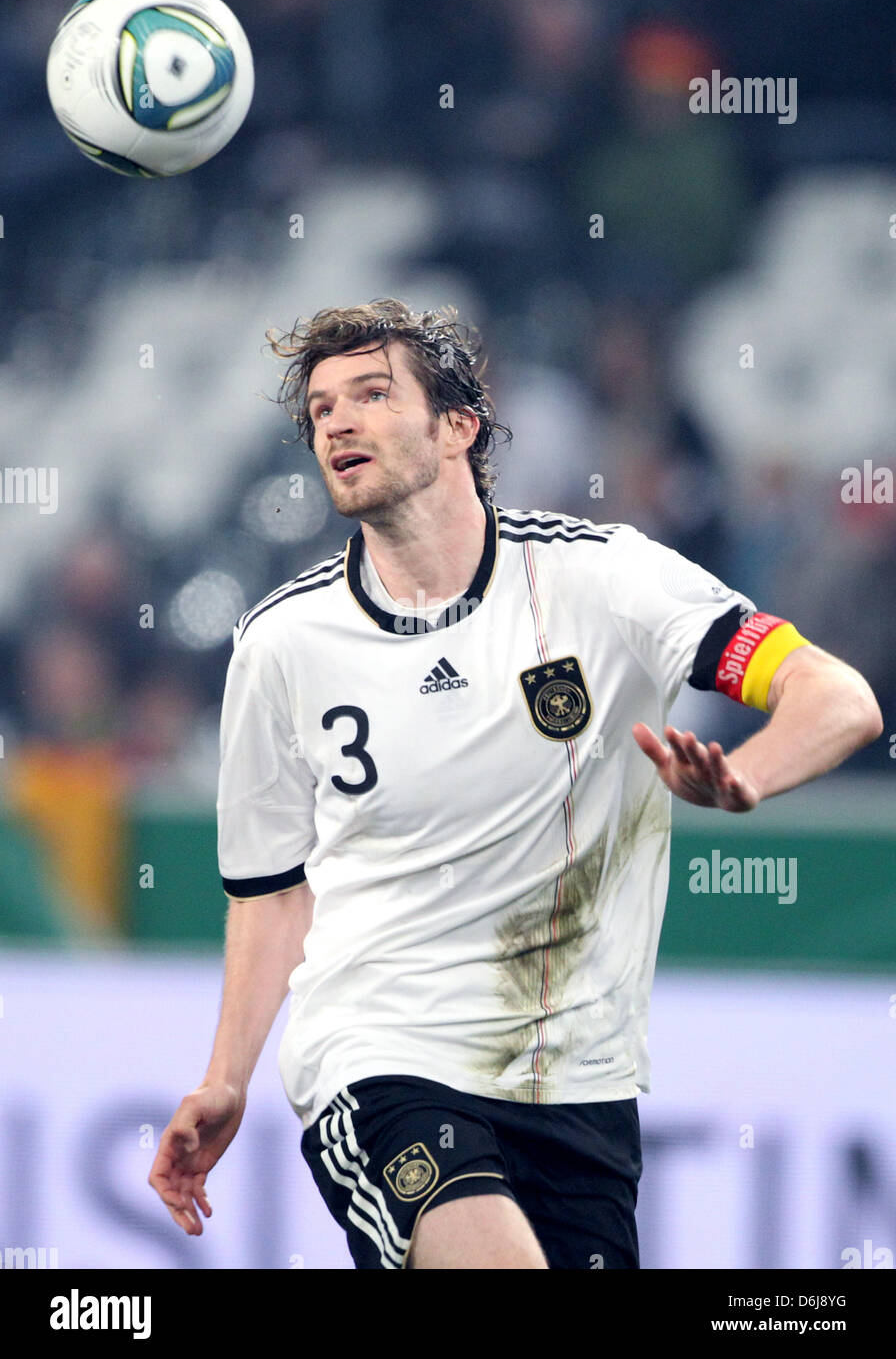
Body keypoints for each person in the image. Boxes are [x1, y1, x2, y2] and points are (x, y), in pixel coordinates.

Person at [148, 299, 882, 1269]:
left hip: (578, 1082)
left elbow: (839, 697)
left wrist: (744, 775)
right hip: (379, 1055)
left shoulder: (602, 578)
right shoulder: (282, 644)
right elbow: (272, 887)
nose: (337, 422)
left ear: (458, 423)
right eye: (321, 408)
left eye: (370, 393)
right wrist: (226, 1077)